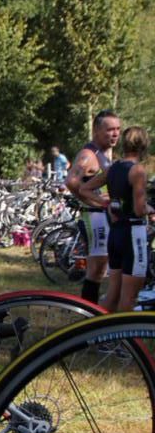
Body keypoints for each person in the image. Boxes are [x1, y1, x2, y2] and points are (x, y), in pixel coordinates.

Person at [79, 125, 151, 312]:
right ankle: (126, 341)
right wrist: (150, 208)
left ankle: (99, 334)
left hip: (116, 233)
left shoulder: (113, 168)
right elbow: (139, 208)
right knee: (130, 297)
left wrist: (106, 203)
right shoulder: (138, 171)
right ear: (144, 145)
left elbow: (84, 189)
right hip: (133, 234)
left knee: (113, 293)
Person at [65, 109, 122, 304]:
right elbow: (71, 181)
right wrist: (94, 200)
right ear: (97, 131)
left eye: (118, 129)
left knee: (100, 268)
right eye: (109, 130)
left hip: (103, 216)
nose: (115, 134)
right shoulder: (89, 154)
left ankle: (92, 314)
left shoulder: (105, 152)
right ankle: (89, 316)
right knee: (96, 269)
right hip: (94, 217)